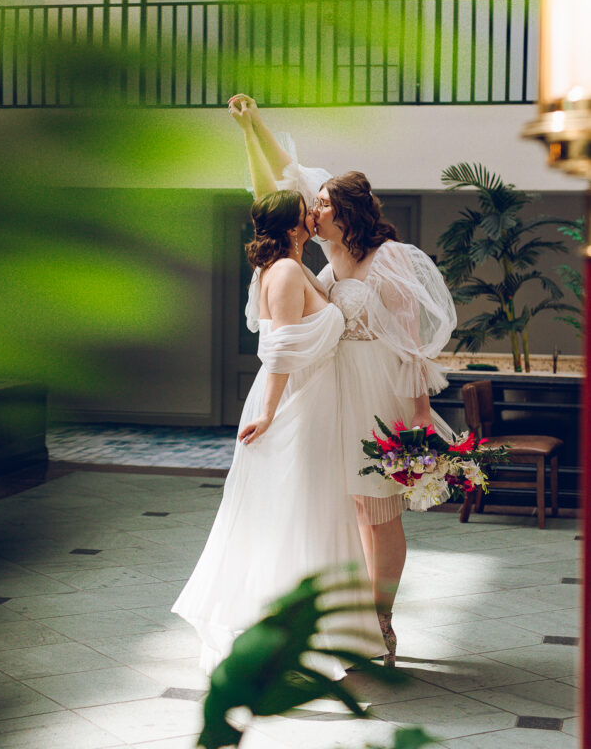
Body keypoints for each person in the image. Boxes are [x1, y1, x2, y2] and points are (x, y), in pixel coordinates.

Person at [228, 94, 457, 667]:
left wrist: (420, 414)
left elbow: (408, 343)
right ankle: (354, 616)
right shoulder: (325, 253)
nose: (314, 207)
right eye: (316, 202)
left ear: (346, 212)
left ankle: (382, 618)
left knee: (379, 511)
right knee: (350, 507)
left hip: (380, 391)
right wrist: (251, 125)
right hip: (332, 389)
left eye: (324, 203)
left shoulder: (390, 259)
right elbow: (281, 180)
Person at [172, 188, 382, 676]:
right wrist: (268, 414)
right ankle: (289, 635)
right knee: (297, 511)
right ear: (292, 227)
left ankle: (314, 629)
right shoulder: (285, 271)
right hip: (294, 405)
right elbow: (282, 349)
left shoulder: (293, 266)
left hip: (313, 402)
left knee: (310, 509)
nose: (314, 215)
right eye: (307, 212)